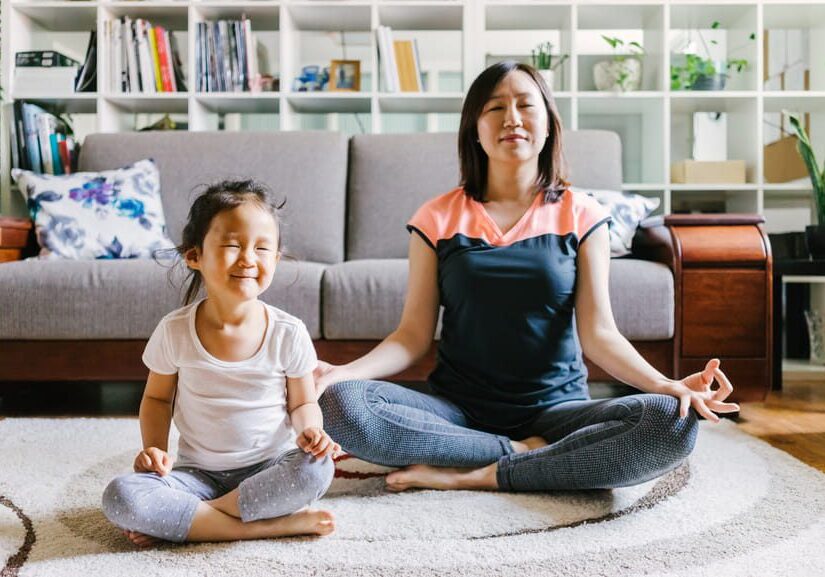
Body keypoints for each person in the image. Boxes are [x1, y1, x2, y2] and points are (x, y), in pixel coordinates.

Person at [316, 61, 740, 493]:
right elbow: (412, 336)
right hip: (456, 410)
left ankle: (482, 473)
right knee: (342, 404)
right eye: (495, 108)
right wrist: (342, 372)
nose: (512, 119)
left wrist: (665, 384)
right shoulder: (436, 216)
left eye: (525, 105)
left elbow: (599, 334)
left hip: (557, 412)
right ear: (474, 130)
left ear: (549, 124)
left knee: (672, 421)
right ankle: (523, 454)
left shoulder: (583, 212)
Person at [102, 180, 340, 546]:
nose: (248, 258)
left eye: (263, 248)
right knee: (121, 495)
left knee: (316, 470)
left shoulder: (288, 332)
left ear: (275, 260)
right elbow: (157, 400)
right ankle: (266, 525)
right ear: (194, 256)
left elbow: (303, 403)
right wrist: (155, 450)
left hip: (268, 469)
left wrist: (310, 432)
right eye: (232, 245)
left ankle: (191, 520)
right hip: (196, 476)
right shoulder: (175, 330)